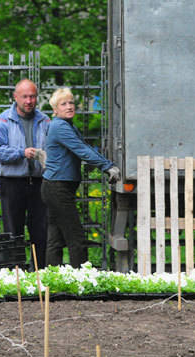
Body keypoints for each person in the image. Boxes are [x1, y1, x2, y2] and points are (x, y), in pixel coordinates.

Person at [41, 88, 119, 267]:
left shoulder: (67, 126)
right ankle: (81, 279)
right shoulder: (60, 126)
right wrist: (107, 167)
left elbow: (83, 148)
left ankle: (52, 280)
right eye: (63, 104)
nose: (69, 107)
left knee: (56, 238)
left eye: (71, 103)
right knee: (75, 237)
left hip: (55, 187)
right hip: (57, 188)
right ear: (55, 110)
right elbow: (82, 150)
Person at [0, 79, 49, 270]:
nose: (29, 101)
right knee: (13, 231)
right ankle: (16, 272)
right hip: (11, 182)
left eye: (32, 96)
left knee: (41, 230)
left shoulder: (45, 120)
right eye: (25, 97)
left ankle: (40, 272)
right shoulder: (4, 120)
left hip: (39, 182)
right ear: (15, 97)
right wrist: (21, 153)